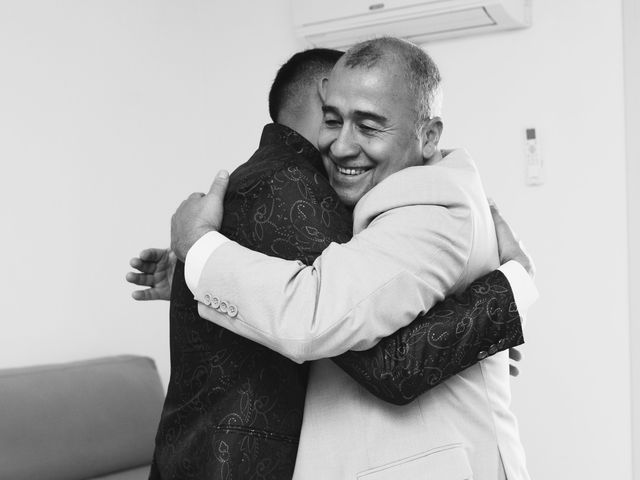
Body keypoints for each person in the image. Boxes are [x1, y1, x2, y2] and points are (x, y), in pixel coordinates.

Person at [129, 46, 536, 479]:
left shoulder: (428, 201)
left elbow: (333, 325)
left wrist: (200, 247)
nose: (341, 145)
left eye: (367, 124)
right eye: (332, 120)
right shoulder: (319, 189)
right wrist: (194, 275)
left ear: (429, 135)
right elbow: (357, 288)